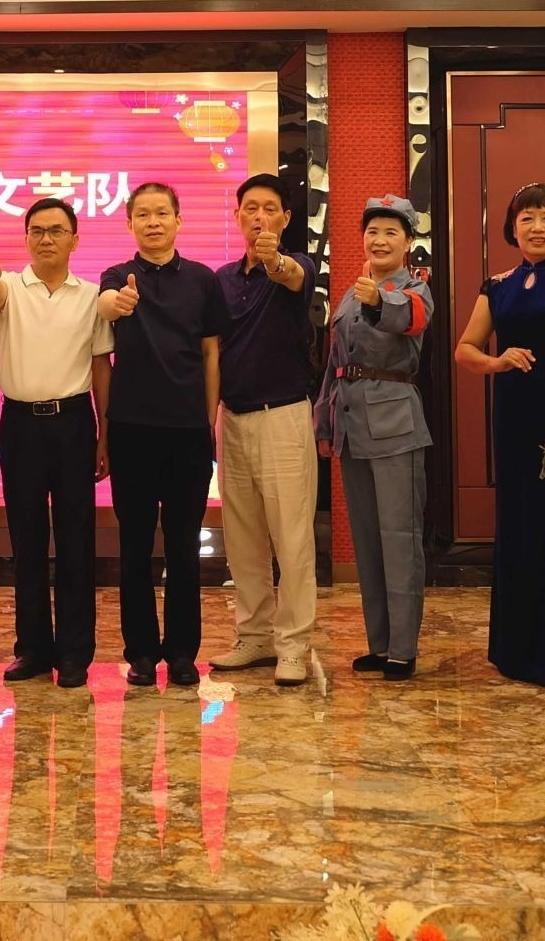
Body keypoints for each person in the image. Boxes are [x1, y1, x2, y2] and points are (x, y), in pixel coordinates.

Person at [453, 182, 545, 686]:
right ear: (512, 228)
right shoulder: (496, 285)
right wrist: (498, 361)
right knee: (519, 517)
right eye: (527, 218)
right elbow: (465, 349)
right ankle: (518, 650)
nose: (537, 227)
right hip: (515, 410)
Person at [0, 198, 113, 690]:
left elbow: (101, 367)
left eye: (56, 230)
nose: (46, 238)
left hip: (73, 423)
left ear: (75, 239)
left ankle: (74, 653)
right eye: (37, 230)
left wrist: (104, 434)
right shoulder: (10, 287)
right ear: (26, 238)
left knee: (77, 541)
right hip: (21, 426)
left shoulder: (93, 296)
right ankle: (32, 649)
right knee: (27, 539)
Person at [96, 181, 230, 689]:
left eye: (161, 213)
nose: (152, 222)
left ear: (178, 220)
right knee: (134, 547)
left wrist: (207, 420)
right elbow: (105, 306)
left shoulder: (202, 280)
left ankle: (181, 655)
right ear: (129, 223)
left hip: (187, 431)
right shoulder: (117, 276)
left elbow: (211, 353)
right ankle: (140, 654)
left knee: (182, 548)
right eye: (142, 215)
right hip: (131, 431)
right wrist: (118, 301)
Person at [315, 196, 433, 682]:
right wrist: (324, 423)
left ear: (407, 243)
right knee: (367, 541)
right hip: (351, 425)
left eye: (391, 233)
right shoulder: (350, 292)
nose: (380, 240)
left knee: (400, 539)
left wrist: (378, 300)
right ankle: (380, 644)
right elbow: (335, 364)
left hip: (396, 425)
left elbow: (412, 318)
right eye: (372, 232)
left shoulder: (415, 288)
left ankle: (403, 649)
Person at [211, 174, 319, 687]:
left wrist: (274, 259)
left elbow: (289, 274)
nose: (259, 217)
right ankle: (253, 636)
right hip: (232, 418)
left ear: (286, 217)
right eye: (250, 208)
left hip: (284, 418)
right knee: (243, 538)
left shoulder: (299, 267)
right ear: (237, 216)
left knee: (291, 538)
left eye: (270, 208)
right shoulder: (222, 280)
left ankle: (293, 645)